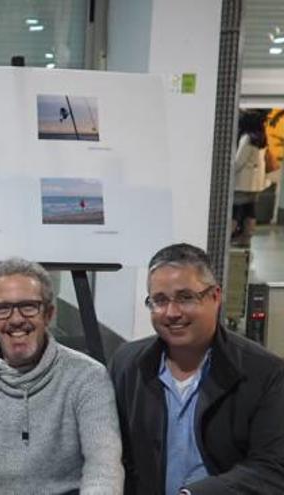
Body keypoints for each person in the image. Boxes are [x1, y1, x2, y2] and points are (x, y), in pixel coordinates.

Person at [0, 257, 124, 495]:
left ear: (48, 314)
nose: (16, 319)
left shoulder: (88, 378)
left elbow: (103, 467)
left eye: (29, 306)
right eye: (3, 309)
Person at [109, 243, 284, 494]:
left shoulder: (265, 373)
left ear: (215, 297)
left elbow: (271, 468)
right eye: (159, 300)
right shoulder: (127, 365)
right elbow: (112, 453)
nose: (172, 312)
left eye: (186, 298)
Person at [231, 109, 272, 247]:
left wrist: (227, 172)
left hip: (243, 183)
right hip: (256, 184)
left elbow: (238, 162)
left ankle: (229, 237)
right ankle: (246, 237)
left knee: (235, 210)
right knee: (249, 209)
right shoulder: (262, 137)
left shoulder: (247, 138)